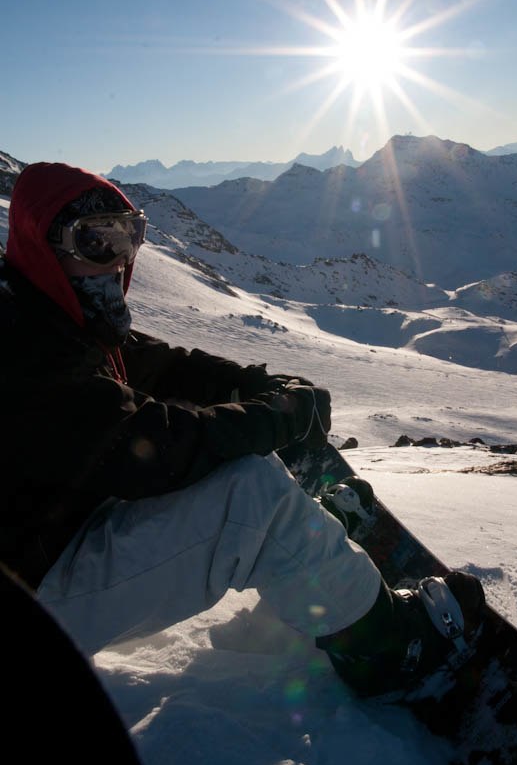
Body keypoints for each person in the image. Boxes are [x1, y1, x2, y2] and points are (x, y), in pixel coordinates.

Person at [0, 161, 485, 701]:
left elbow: (160, 365)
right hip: (39, 588)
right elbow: (153, 448)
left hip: (52, 541)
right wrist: (275, 417)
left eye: (128, 235)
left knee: (244, 457)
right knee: (249, 500)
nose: (117, 261)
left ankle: (312, 541)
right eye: (94, 241)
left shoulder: (45, 310)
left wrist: (259, 388)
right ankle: (391, 649)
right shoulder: (17, 351)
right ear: (40, 243)